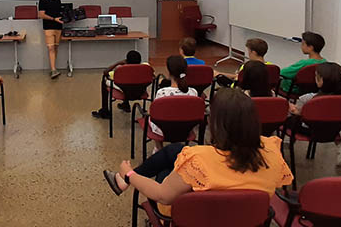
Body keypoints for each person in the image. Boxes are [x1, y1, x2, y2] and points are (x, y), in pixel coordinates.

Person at [102, 88, 293, 217]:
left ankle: (123, 180)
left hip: (195, 217)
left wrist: (129, 173)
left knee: (166, 171)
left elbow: (162, 195)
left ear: (215, 123)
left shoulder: (198, 159)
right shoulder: (271, 148)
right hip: (249, 217)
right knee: (175, 150)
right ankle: (121, 181)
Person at [151, 56, 198, 151]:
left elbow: (154, 113)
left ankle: (159, 149)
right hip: (185, 129)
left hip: (163, 130)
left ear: (168, 72)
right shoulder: (193, 92)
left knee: (152, 117)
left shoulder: (162, 92)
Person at [92, 50, 145, 119]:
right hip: (140, 92)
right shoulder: (145, 68)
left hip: (125, 92)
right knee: (129, 83)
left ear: (126, 61)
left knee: (105, 79)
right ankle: (125, 105)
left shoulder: (121, 70)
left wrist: (117, 63)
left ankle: (105, 111)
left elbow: (105, 72)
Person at [38, 0, 64, 79]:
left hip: (58, 27)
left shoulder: (58, 0)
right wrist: (54, 19)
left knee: (55, 48)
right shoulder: (43, 0)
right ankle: (53, 70)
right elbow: (41, 15)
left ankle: (54, 68)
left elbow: (59, 12)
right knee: (51, 48)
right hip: (48, 27)